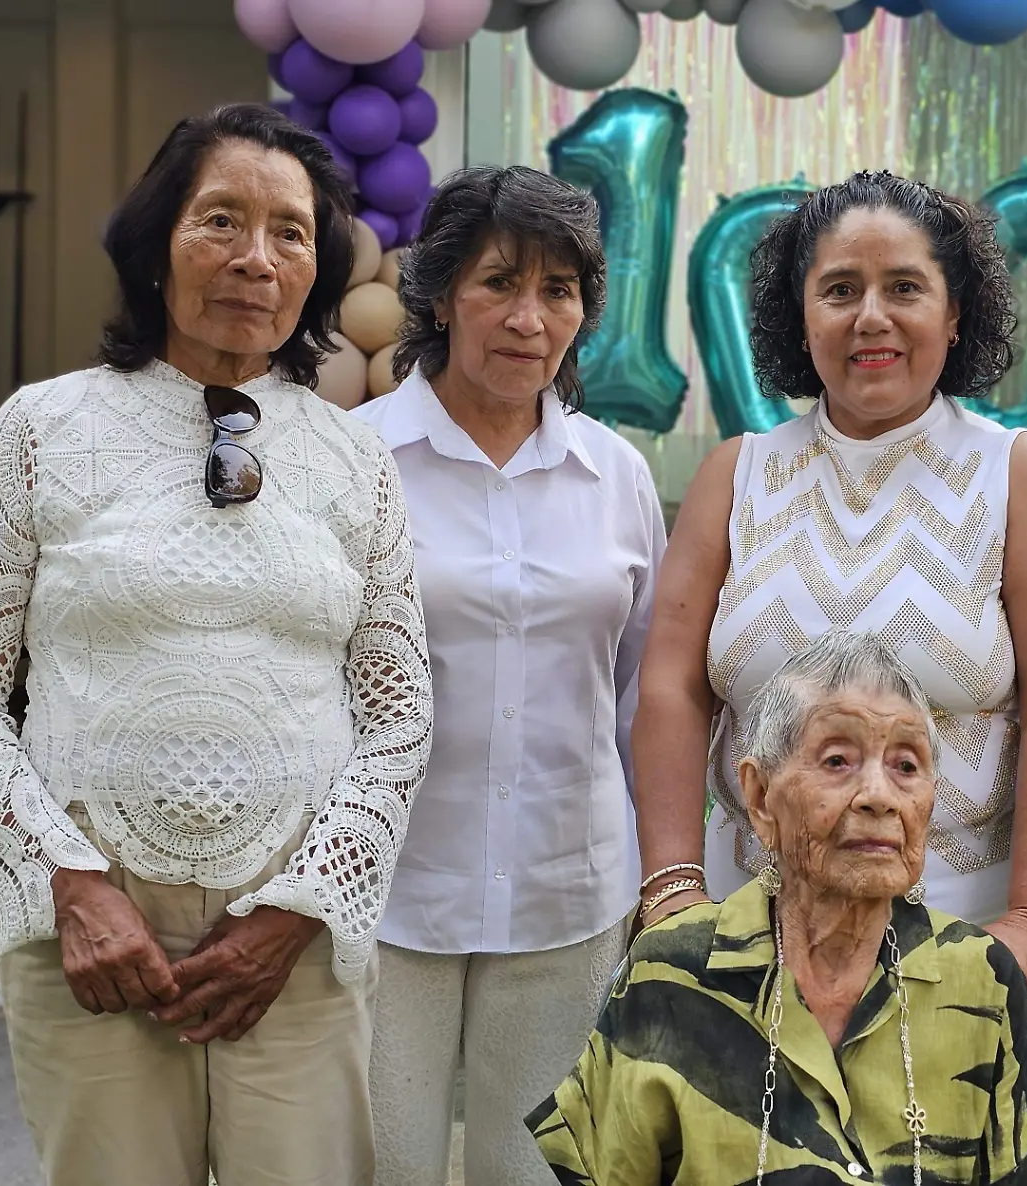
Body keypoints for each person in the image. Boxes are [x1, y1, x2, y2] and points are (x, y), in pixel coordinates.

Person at [0, 103, 432, 1186]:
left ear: (319, 271)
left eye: (290, 232)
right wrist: (71, 885)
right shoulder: (44, 430)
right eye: (220, 220)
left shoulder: (356, 462)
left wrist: (300, 908)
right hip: (90, 943)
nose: (255, 257)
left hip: (289, 943)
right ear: (156, 244)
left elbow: (398, 710)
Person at [628, 170, 1027, 1112]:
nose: (871, 317)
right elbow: (672, 691)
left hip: (958, 942)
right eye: (840, 289)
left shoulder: (1015, 473)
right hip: (745, 936)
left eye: (905, 288)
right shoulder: (739, 474)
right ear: (799, 319)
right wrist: (674, 894)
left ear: (956, 314)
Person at [355, 165, 666, 1186]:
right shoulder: (358, 463)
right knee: (378, 1165)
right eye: (499, 283)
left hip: (564, 889)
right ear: (441, 295)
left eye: (559, 290)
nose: (529, 317)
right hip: (387, 889)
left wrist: (656, 875)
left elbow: (634, 691)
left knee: (536, 1173)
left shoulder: (616, 476)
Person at [530, 630, 1027, 1184]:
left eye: (906, 766)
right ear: (759, 797)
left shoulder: (981, 979)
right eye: (838, 760)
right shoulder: (672, 976)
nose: (878, 794)